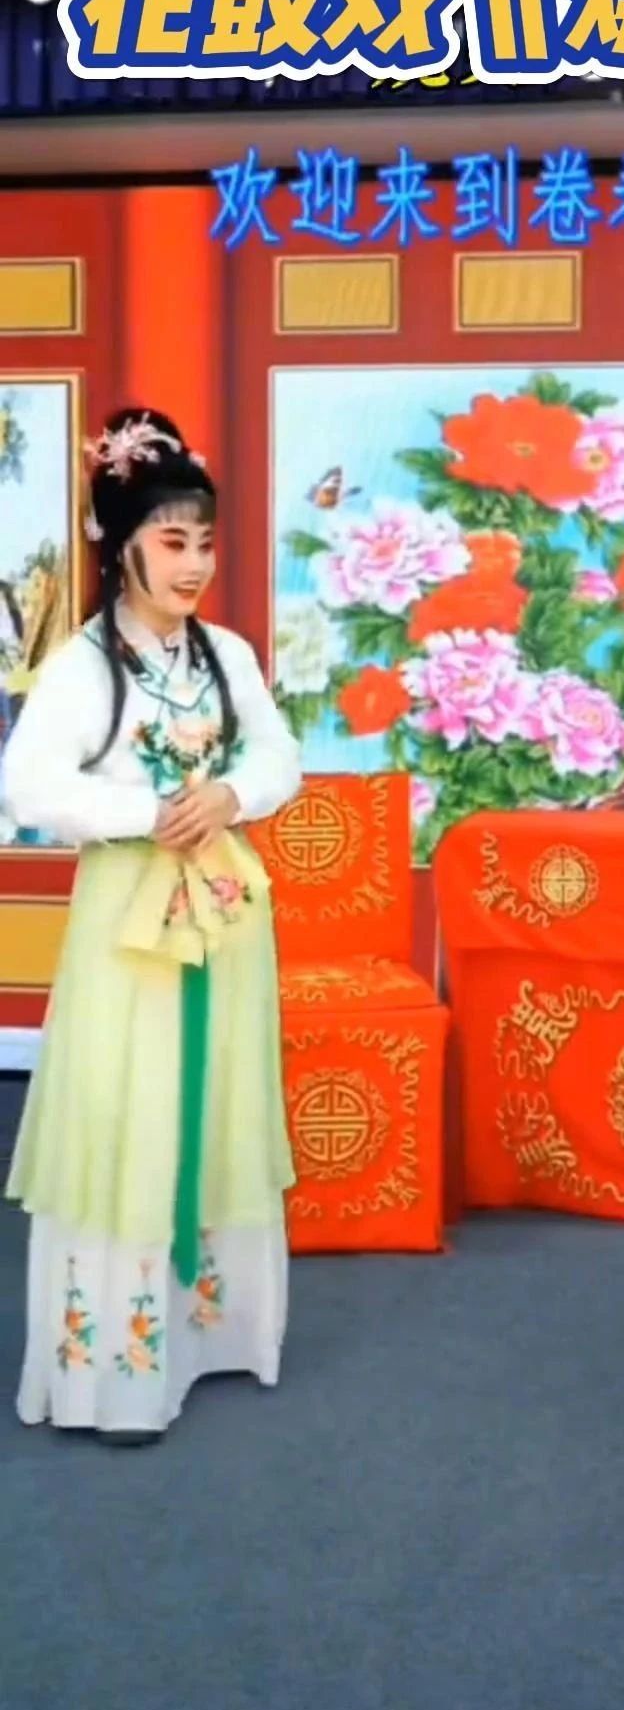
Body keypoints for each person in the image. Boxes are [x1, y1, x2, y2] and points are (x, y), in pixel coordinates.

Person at [2, 409, 301, 1444]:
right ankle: (115, 1373)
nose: (195, 564)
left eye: (205, 542)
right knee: (129, 1108)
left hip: (222, 913)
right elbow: (28, 783)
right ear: (119, 543)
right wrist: (148, 811)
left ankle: (209, 1334)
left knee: (213, 1100)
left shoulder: (226, 654)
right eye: (173, 541)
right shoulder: (84, 665)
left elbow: (278, 757)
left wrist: (231, 796)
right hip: (129, 923)